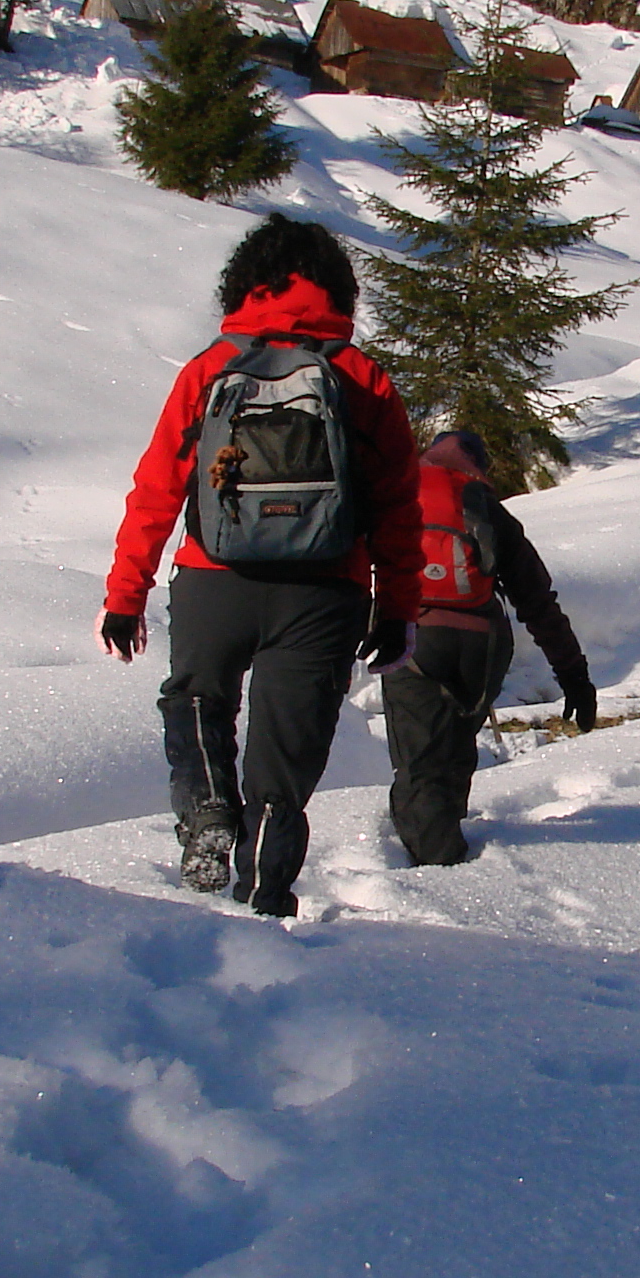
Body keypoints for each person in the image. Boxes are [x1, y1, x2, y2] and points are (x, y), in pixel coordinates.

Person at [97, 215, 421, 917]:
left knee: (196, 698)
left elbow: (156, 488)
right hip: (323, 589)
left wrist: (127, 594)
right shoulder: (361, 378)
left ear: (244, 284)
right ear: (340, 291)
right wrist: (395, 609)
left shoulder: (210, 369)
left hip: (214, 579)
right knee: (284, 764)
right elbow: (399, 508)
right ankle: (266, 897)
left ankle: (209, 811)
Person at [383, 428, 596, 865]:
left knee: (419, 760)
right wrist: (575, 677)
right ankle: (443, 837)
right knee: (457, 749)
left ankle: (434, 867)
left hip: (412, 638)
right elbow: (538, 604)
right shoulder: (487, 509)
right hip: (482, 646)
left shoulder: (398, 496)